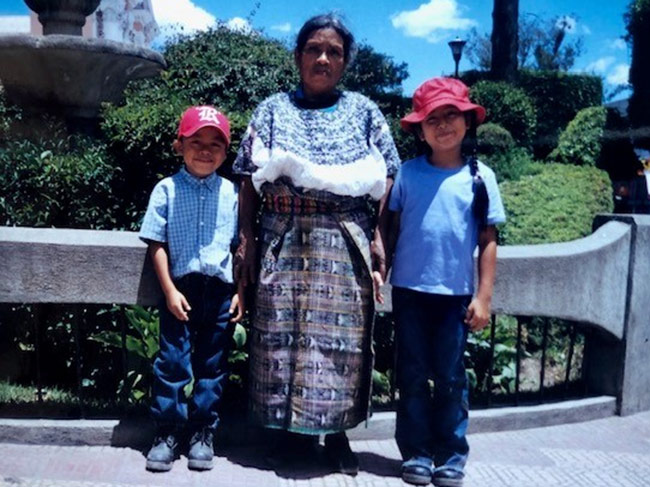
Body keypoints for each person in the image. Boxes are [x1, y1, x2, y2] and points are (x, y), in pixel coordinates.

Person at [233, 13, 400, 475]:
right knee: (279, 340)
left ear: (345, 62)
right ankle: (287, 437)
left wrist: (380, 234)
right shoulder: (270, 110)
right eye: (314, 49)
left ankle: (339, 433)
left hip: (343, 240)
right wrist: (245, 237)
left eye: (334, 52)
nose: (323, 58)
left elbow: (388, 175)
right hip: (281, 237)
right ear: (298, 56)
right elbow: (247, 178)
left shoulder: (365, 112)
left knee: (338, 342)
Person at [383, 77, 506, 487]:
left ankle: (451, 455)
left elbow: (488, 240)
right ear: (419, 129)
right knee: (413, 374)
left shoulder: (480, 177)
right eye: (432, 119)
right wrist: (379, 272)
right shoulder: (407, 173)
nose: (442, 125)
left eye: (451, 115)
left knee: (452, 377)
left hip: (455, 295)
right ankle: (416, 452)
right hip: (410, 291)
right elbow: (393, 228)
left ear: (467, 122)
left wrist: (484, 297)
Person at [139, 105, 244, 472]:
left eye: (215, 143)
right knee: (172, 363)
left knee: (213, 366)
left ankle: (203, 433)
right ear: (178, 145)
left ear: (226, 151)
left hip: (219, 291)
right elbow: (156, 244)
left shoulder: (233, 194)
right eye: (196, 141)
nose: (205, 149)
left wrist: (239, 291)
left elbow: (239, 248)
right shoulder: (165, 189)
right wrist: (168, 290)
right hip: (180, 290)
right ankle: (167, 433)